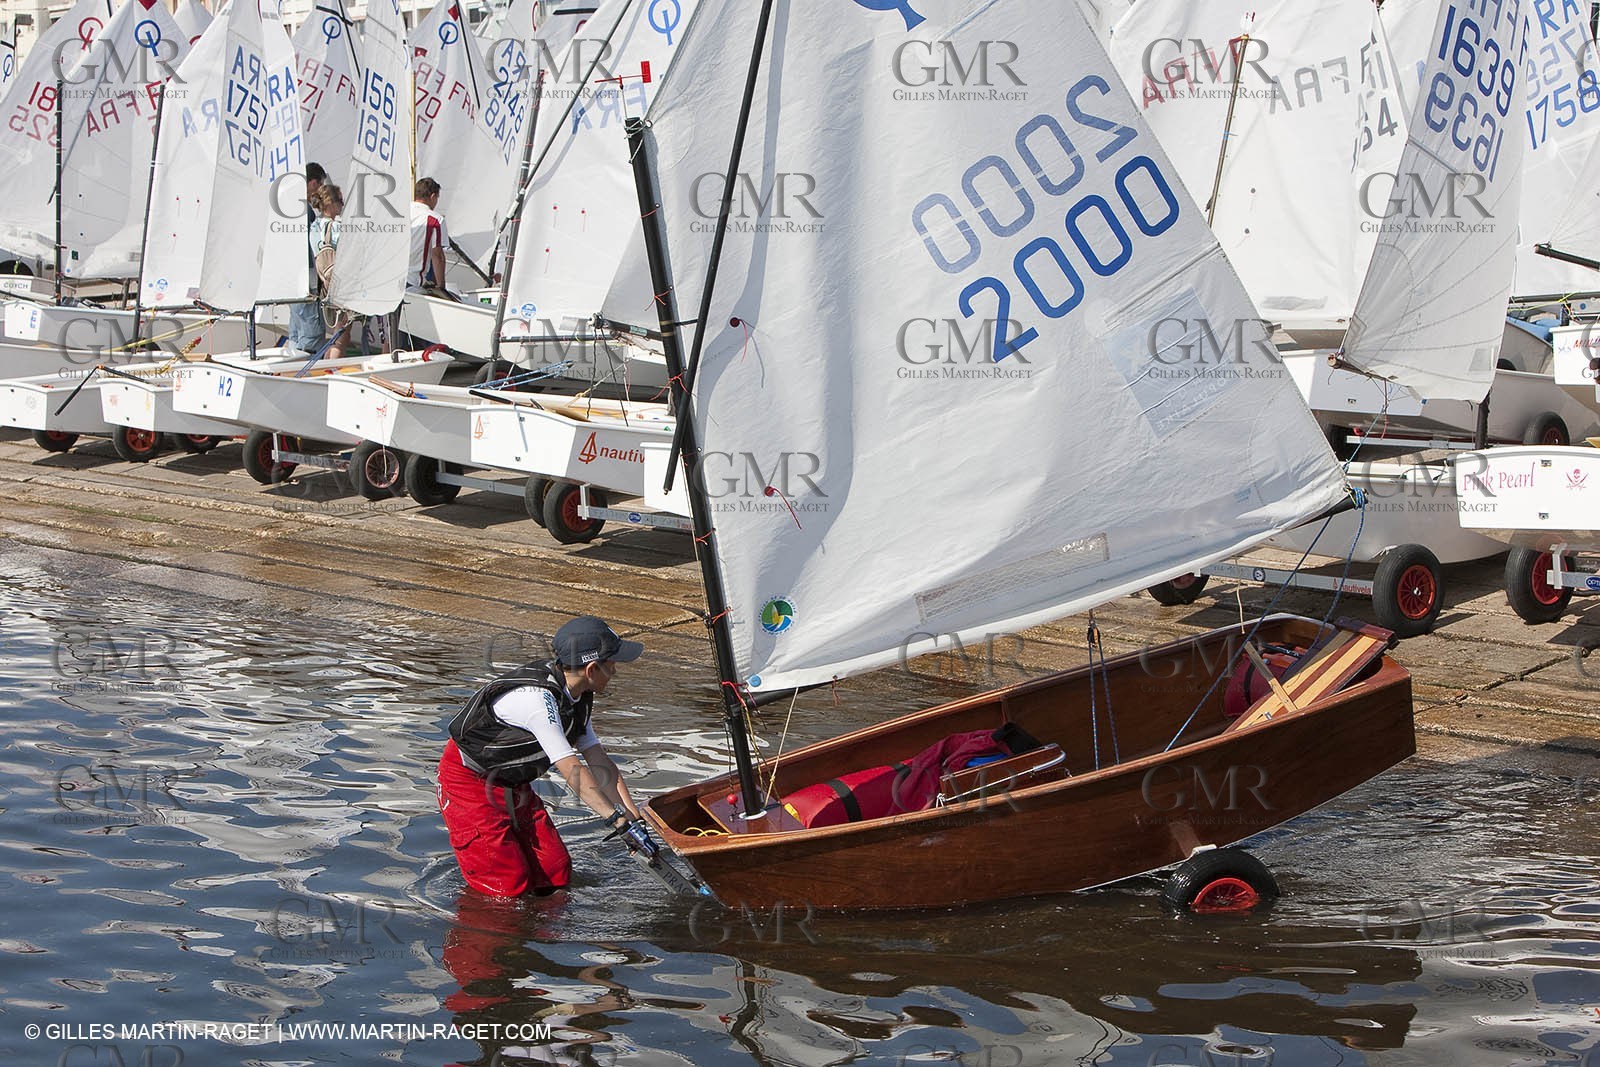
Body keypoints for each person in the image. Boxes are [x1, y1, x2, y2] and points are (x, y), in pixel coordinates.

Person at [438, 616, 650, 897]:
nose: (614, 670)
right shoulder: (538, 701)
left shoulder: (578, 695)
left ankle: (548, 922)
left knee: (555, 871)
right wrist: (615, 820)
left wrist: (633, 817)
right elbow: (571, 768)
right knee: (507, 885)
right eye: (612, 663)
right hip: (468, 781)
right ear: (591, 669)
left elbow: (598, 760)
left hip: (512, 783)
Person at [287, 162, 328, 355]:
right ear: (312, 183)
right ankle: (308, 366)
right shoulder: (306, 211)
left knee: (296, 331)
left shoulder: (288, 205)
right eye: (320, 185)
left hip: (291, 277)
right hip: (306, 277)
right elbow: (312, 247)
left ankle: (293, 363)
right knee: (312, 334)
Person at [308, 183, 349, 359]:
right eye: (340, 200)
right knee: (342, 334)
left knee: (334, 333)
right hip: (341, 282)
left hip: (324, 283)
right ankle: (333, 368)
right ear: (330, 203)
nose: (342, 204)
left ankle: (327, 366)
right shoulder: (336, 227)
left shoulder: (314, 226)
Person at [409, 177, 451, 293]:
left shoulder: (399, 212)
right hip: (412, 282)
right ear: (433, 197)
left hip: (389, 281)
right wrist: (441, 287)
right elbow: (437, 255)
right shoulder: (435, 219)